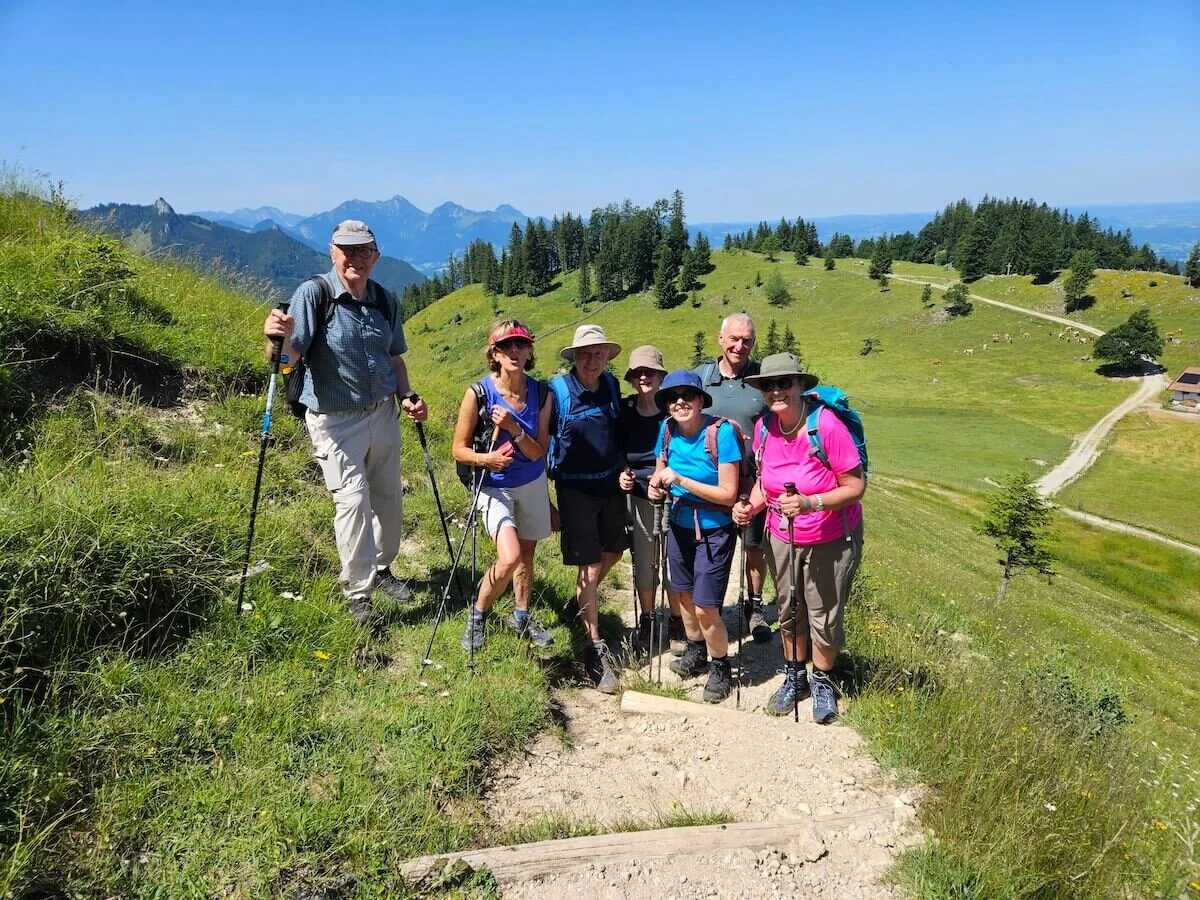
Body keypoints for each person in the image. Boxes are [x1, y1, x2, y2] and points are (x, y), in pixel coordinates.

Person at [262, 220, 427, 625]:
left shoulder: (384, 300)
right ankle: (358, 593)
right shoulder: (315, 294)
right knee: (352, 501)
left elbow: (394, 357)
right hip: (334, 421)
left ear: (375, 256)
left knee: (388, 500)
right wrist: (274, 340)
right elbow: (287, 360)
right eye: (346, 250)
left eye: (363, 250)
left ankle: (383, 569)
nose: (355, 258)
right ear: (332, 253)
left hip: (382, 413)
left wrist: (406, 395)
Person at [733, 353, 865, 723]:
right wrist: (750, 506)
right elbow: (765, 484)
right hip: (782, 535)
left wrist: (811, 502)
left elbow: (855, 486)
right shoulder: (764, 428)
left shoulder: (825, 426)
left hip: (831, 537)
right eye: (769, 385)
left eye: (785, 383)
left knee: (823, 614)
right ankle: (795, 677)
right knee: (789, 608)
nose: (776, 390)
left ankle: (822, 681)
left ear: (800, 386)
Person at [453, 320, 555, 652]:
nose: (514, 351)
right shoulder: (478, 393)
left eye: (521, 344)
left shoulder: (542, 393)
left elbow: (539, 451)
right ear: (494, 353)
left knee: (527, 553)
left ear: (529, 351)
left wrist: (513, 428)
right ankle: (478, 613)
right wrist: (488, 461)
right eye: (506, 345)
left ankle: (521, 616)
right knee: (509, 556)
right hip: (493, 485)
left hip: (531, 482)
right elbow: (459, 449)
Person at [648, 370, 741, 703]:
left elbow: (728, 494)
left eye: (688, 395)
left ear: (702, 400)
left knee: (705, 606)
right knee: (683, 594)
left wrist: (681, 481)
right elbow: (661, 468)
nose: (680, 402)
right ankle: (696, 649)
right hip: (678, 524)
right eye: (673, 397)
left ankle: (721, 667)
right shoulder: (667, 430)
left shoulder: (722, 433)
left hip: (714, 529)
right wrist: (655, 483)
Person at [548, 324, 627, 693]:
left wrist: (625, 467)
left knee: (614, 551)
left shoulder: (611, 386)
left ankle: (580, 600)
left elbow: (618, 432)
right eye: (585, 354)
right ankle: (595, 649)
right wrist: (544, 501)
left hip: (610, 483)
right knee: (591, 563)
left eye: (599, 353)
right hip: (575, 487)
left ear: (608, 357)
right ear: (574, 357)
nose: (592, 360)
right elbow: (540, 444)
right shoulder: (559, 391)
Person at [695, 313, 771, 643]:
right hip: (711, 481)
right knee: (712, 547)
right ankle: (709, 610)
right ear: (720, 339)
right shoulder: (702, 377)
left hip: (753, 479)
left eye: (747, 340)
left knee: (754, 546)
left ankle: (753, 608)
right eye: (734, 339)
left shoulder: (763, 379)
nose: (740, 346)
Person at [617, 346, 684, 654]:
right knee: (645, 563)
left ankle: (676, 619)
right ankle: (647, 619)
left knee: (674, 562)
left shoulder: (674, 413)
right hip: (639, 497)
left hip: (673, 495)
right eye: (639, 373)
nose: (644, 377)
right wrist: (623, 473)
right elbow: (616, 450)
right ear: (632, 378)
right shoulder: (624, 411)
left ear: (661, 376)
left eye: (651, 372)